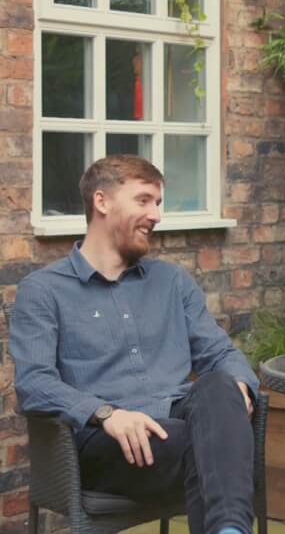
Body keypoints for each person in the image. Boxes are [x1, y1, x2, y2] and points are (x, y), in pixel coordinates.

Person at [10, 155, 259, 534]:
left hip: (176, 421)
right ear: (102, 202)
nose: (156, 215)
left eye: (158, 204)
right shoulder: (43, 291)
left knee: (221, 386)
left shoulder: (172, 281)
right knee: (213, 442)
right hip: (106, 443)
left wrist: (238, 387)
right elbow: (34, 383)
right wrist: (107, 413)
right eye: (144, 200)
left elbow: (221, 354)